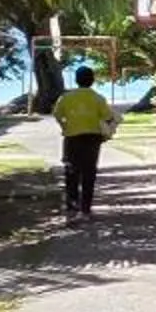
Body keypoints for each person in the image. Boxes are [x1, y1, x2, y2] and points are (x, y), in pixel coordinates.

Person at [52, 65, 116, 219]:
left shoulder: (66, 97)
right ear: (92, 80)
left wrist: (64, 126)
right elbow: (108, 117)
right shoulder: (98, 98)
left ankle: (72, 205)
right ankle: (86, 208)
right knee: (89, 172)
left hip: (72, 138)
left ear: (76, 80)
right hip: (92, 139)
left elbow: (57, 114)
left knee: (71, 171)